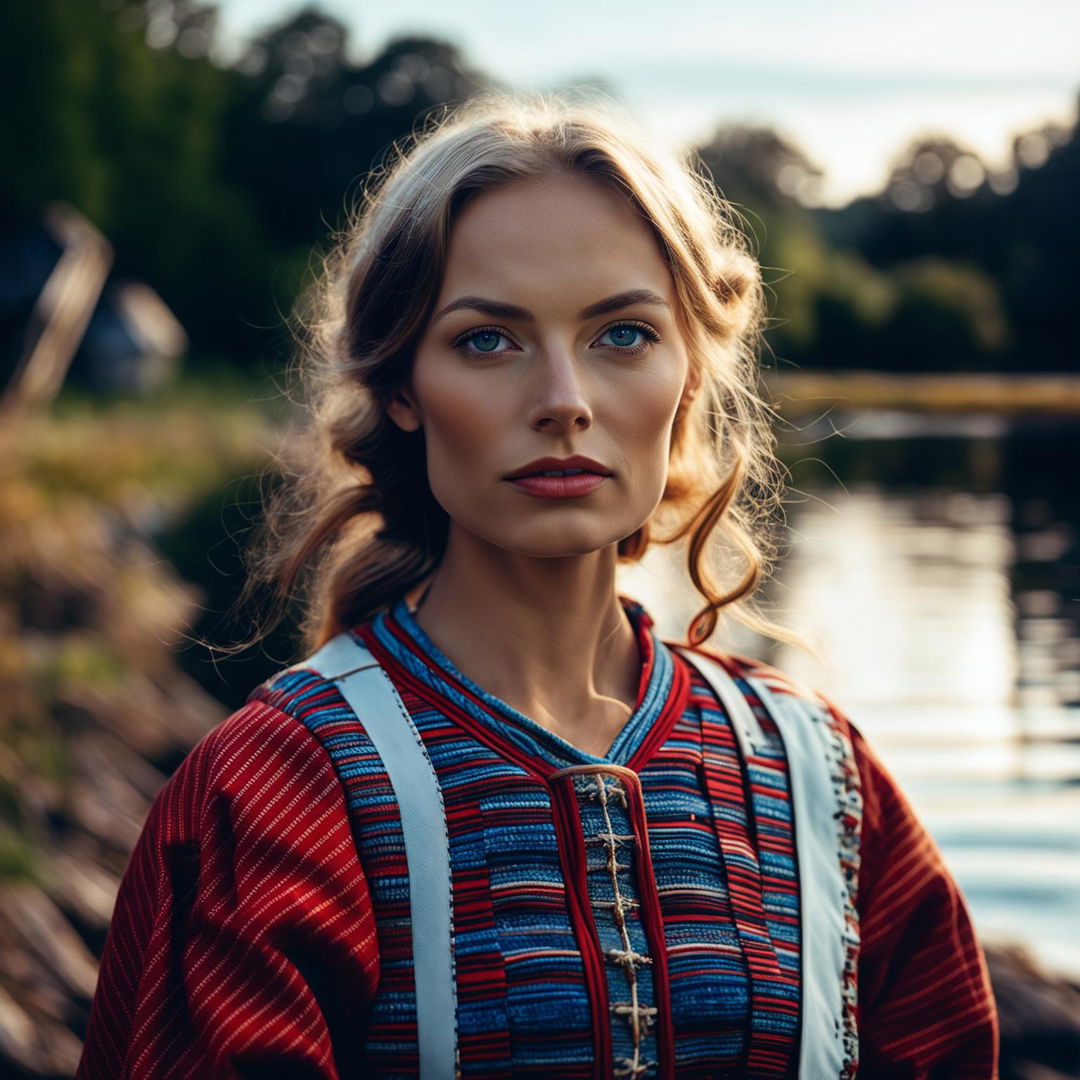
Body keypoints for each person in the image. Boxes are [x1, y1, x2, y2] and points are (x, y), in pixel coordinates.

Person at [75, 93, 998, 1079]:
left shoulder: (825, 780)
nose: (564, 402)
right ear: (400, 387)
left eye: (622, 335)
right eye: (488, 340)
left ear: (690, 374)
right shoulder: (272, 794)